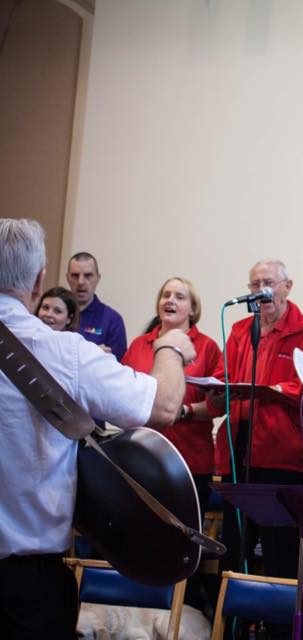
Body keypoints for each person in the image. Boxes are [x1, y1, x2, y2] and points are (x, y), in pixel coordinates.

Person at [0, 218, 193, 639]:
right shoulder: (63, 352)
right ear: (39, 281)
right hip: (22, 589)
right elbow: (162, 405)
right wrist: (170, 346)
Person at [216, 259, 303, 579]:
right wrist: (216, 388)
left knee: (278, 550)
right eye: (254, 285)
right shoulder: (241, 330)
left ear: (287, 287)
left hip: (282, 455)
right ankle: (234, 624)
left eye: (267, 282)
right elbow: (223, 376)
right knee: (236, 547)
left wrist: (274, 391)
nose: (260, 290)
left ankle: (277, 625)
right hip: (238, 450)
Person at [122, 277, 223, 514]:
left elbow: (218, 405)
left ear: (193, 308)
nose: (170, 300)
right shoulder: (139, 344)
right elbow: (125, 392)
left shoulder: (207, 347)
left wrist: (186, 412)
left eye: (179, 297)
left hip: (190, 461)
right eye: (165, 295)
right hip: (141, 457)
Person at [66, 252, 128, 359]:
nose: (81, 282)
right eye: (75, 276)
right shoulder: (55, 313)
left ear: (98, 279)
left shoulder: (112, 320)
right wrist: (92, 354)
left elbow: (117, 368)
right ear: (67, 278)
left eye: (88, 275)